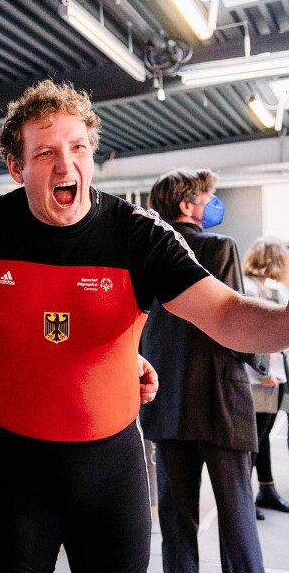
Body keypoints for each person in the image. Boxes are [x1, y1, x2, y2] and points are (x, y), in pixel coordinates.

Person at [0, 79, 289, 572]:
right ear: (16, 166)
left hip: (110, 474)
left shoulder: (139, 235)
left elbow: (225, 313)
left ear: (92, 154)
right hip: (13, 475)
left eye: (77, 147)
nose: (65, 164)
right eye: (45, 152)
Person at [140, 170, 271, 572]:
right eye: (208, 197)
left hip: (166, 402)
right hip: (219, 403)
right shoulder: (218, 246)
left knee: (177, 522)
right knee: (237, 518)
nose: (212, 203)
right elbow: (233, 321)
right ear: (187, 206)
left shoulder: (145, 256)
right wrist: (264, 362)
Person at [242, 236, 289, 516]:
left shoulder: (276, 288)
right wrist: (263, 372)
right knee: (253, 438)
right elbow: (250, 333)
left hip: (274, 375)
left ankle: (267, 488)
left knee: (264, 434)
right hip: (257, 376)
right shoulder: (247, 287)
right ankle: (243, 497)